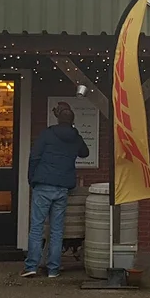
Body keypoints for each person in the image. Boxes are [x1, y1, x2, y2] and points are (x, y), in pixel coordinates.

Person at [22, 105, 89, 278]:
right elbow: (85, 153)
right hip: (62, 187)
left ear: (58, 119)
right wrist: (75, 133)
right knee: (57, 230)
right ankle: (53, 269)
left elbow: (34, 156)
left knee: (37, 228)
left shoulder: (47, 134)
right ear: (72, 121)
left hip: (43, 184)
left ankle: (31, 266)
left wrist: (32, 179)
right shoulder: (75, 137)